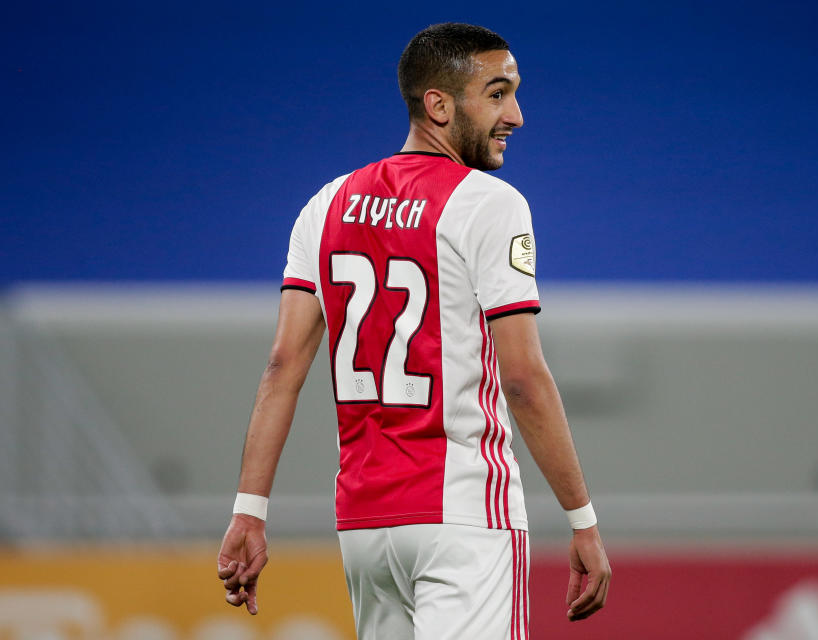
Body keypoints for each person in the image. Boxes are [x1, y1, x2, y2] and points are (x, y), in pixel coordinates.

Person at [217, 22, 611, 639]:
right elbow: (525, 379)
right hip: (463, 515)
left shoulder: (324, 205)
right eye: (499, 93)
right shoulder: (491, 203)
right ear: (439, 104)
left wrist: (249, 510)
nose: (518, 115)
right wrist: (582, 519)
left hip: (365, 526)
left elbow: (282, 367)